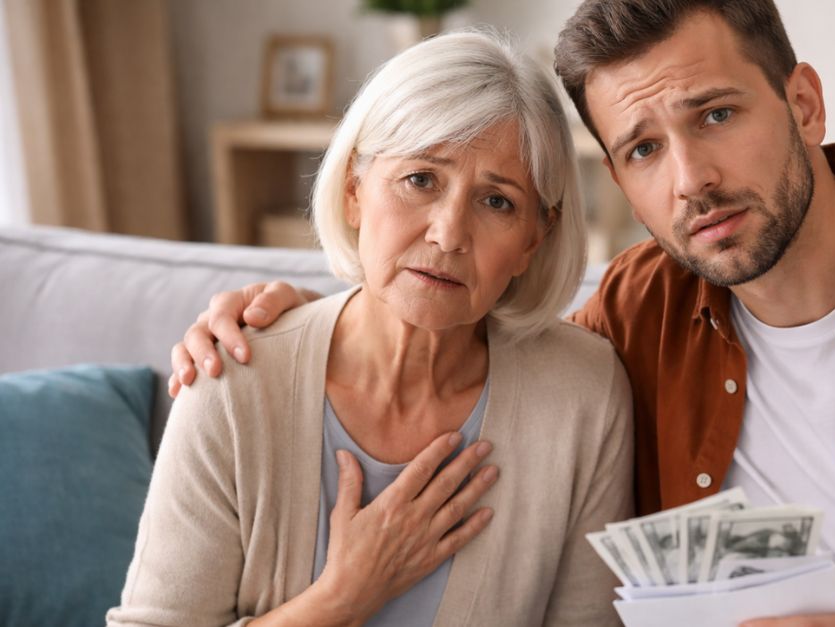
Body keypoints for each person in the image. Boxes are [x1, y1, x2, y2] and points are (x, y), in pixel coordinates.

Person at [170, 1, 835, 624]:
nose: (692, 180)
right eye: (644, 149)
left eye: (716, 115)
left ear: (801, 104)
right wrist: (300, 317)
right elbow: (468, 336)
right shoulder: (636, 314)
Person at [108, 31, 633, 627]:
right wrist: (344, 597)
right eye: (421, 180)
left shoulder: (583, 396)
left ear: (533, 241)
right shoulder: (231, 382)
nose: (448, 233)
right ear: (355, 191)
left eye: (497, 203)